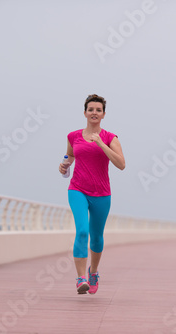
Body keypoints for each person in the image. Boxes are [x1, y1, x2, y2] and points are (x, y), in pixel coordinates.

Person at [58, 94, 125, 295]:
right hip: (77, 189)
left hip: (102, 193)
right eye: (91, 109)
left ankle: (93, 271)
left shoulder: (110, 138)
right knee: (82, 231)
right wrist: (64, 166)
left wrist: (101, 144)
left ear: (103, 114)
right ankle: (81, 279)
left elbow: (121, 164)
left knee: (96, 238)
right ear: (85, 113)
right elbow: (70, 156)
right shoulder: (73, 136)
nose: (94, 113)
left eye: (98, 110)